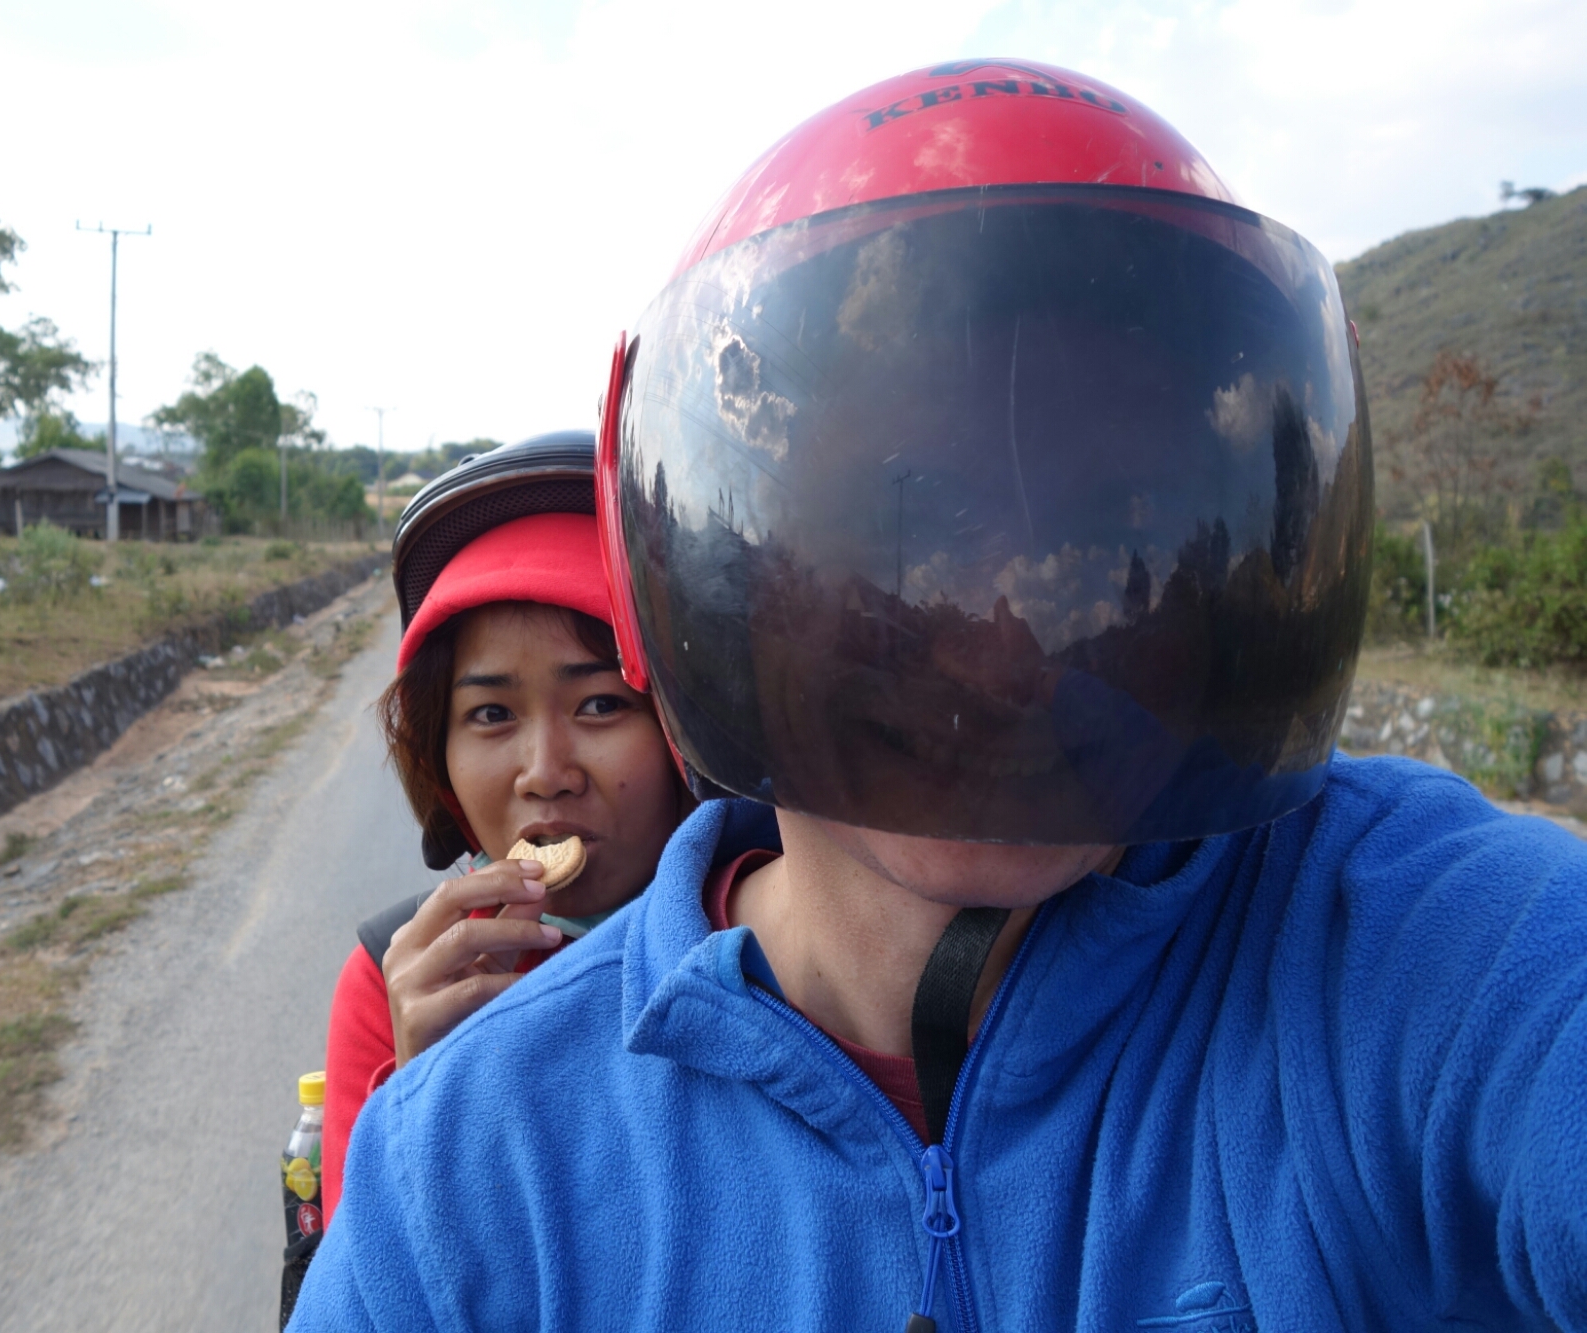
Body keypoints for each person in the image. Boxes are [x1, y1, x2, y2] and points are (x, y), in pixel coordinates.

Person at [291, 61, 1587, 1331]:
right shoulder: (466, 1176)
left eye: (1114, 535)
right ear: (720, 575)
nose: (1009, 661)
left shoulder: (1403, 948)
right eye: (912, 529)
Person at [319, 431, 686, 1218]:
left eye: (601, 703)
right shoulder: (397, 986)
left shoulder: (780, 943)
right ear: (438, 758)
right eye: (491, 713)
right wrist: (424, 1094)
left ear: (683, 729)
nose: (545, 771)